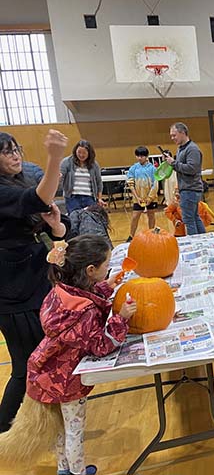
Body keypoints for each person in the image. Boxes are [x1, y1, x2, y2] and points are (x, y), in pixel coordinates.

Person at [0, 235, 136, 475]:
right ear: (91, 270)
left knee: (61, 429)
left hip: (47, 371)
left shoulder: (61, 291)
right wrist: (121, 318)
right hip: (67, 380)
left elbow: (85, 295)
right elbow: (102, 345)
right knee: (74, 430)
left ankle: (63, 469)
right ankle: (77, 471)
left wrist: (108, 285)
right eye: (107, 266)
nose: (109, 269)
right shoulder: (84, 312)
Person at [0, 129, 69, 433]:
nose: (15, 155)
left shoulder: (17, 181)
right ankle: (3, 427)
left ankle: (43, 423)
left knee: (42, 356)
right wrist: (55, 157)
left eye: (16, 149)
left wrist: (56, 229)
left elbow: (49, 222)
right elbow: (39, 197)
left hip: (35, 281)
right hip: (12, 293)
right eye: (6, 151)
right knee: (25, 364)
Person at [164, 122, 205, 235]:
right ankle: (203, 242)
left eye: (174, 135)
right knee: (195, 217)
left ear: (182, 133)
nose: (172, 138)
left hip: (190, 189)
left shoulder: (192, 149)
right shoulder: (181, 149)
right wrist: (172, 162)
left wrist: (174, 163)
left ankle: (195, 246)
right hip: (187, 189)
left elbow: (192, 169)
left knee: (189, 220)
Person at [60, 141, 104, 214]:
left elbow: (99, 182)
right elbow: (60, 177)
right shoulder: (67, 162)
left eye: (84, 153)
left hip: (89, 197)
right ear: (75, 151)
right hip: (72, 198)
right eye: (79, 152)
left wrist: (99, 198)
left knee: (90, 219)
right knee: (75, 219)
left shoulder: (94, 165)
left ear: (89, 153)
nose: (81, 155)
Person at [126, 146, 159, 242]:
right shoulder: (133, 168)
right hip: (138, 198)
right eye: (138, 156)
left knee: (151, 215)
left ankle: (151, 234)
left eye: (142, 156)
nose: (140, 158)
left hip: (151, 198)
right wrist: (137, 197)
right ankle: (131, 236)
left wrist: (149, 198)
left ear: (146, 156)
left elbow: (155, 184)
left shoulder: (152, 169)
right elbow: (131, 184)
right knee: (135, 216)